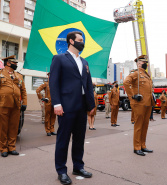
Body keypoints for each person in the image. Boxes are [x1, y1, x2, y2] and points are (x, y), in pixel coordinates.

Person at [49, 31, 95, 185]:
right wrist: (56, 103)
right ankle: (61, 171)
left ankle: (78, 166)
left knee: (79, 139)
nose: (83, 42)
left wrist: (91, 105)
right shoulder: (59, 58)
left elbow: (88, 84)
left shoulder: (85, 62)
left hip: (81, 106)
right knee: (63, 139)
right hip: (66, 106)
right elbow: (53, 83)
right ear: (71, 41)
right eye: (80, 40)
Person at [124, 55, 154, 156]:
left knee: (145, 126)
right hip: (139, 103)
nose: (146, 63)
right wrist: (133, 96)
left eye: (146, 62)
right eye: (143, 62)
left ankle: (143, 145)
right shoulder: (135, 73)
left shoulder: (146, 75)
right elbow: (126, 82)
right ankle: (137, 147)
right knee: (138, 126)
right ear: (139, 63)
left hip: (147, 103)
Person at [0, 55, 27, 157]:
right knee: (3, 127)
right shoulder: (1, 74)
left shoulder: (19, 76)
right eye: (14, 63)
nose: (16, 65)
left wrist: (24, 103)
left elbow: (23, 90)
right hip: (3, 104)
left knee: (14, 127)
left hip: (16, 105)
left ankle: (11, 147)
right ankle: (3, 148)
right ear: (8, 63)